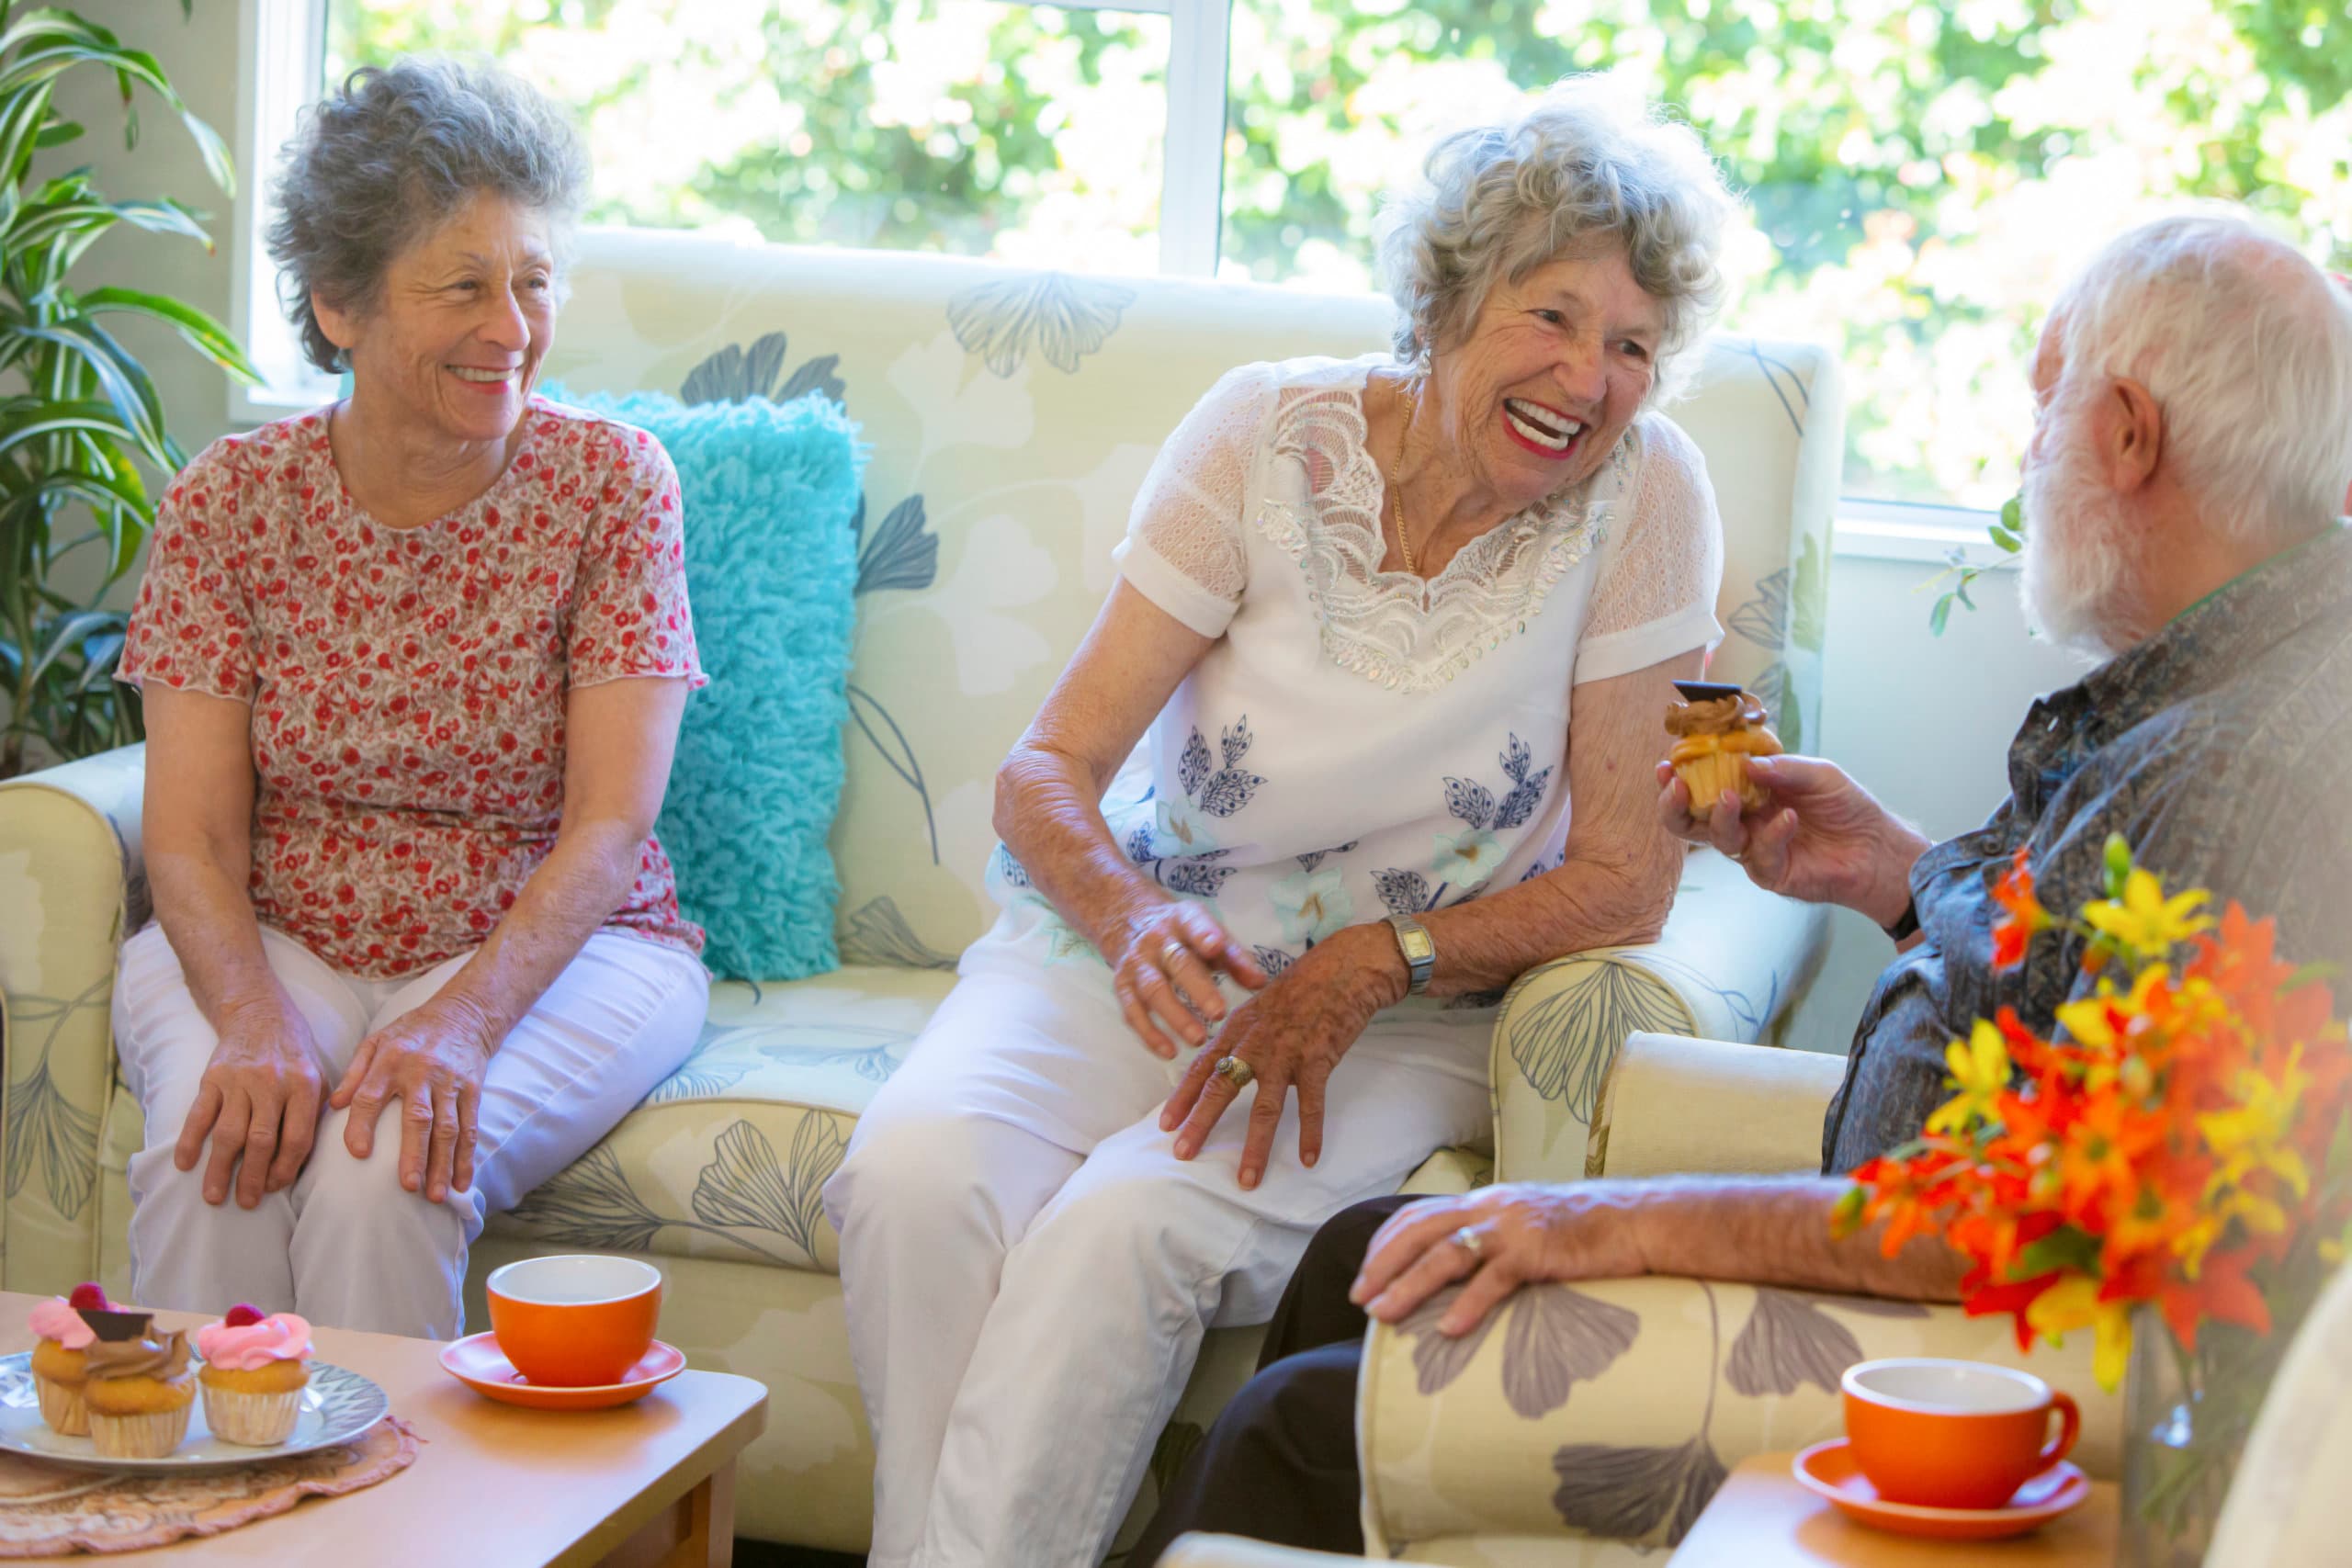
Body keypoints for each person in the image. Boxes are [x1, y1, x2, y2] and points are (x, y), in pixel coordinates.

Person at [1129, 210, 2352, 1562]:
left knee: (1306, 1423)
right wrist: (1895, 873)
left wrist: (1602, 1225)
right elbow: (2070, 986)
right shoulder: (2224, 681)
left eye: (2045, 402)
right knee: (1362, 1259)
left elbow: (2056, 1215)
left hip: (1981, 1362)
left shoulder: (2259, 772)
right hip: (1913, 1260)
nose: (2027, 451)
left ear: (2126, 433)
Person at [822, 77, 1739, 1568]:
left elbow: (1628, 881)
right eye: (1552, 317)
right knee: (915, 1176)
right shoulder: (1264, 433)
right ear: (1446, 305)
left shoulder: (1645, 496)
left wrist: (1383, 956)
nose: (1589, 377)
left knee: (1124, 1232)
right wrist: (1130, 921)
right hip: (1137, 946)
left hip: (1402, 1008)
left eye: (1632, 343)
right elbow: (1045, 771)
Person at [112, 59, 709, 1339]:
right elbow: (191, 838)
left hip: (559, 945)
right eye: (463, 287)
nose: (512, 328)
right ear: (340, 306)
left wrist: (462, 1021)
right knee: (215, 1150)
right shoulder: (229, 499)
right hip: (277, 931)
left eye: (533, 284)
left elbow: (610, 824)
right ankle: (193, 1523)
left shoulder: (613, 484)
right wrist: (255, 1025)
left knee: (391, 1168)